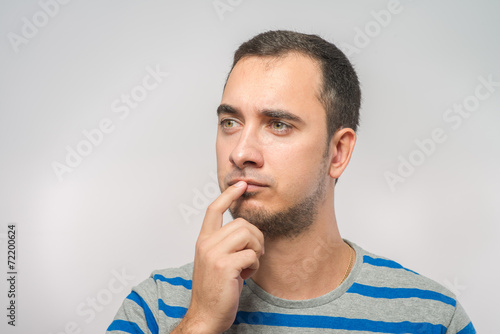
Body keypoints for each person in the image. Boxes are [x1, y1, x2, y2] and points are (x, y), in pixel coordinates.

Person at [106, 30, 475, 333]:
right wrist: (201, 321)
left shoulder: (432, 318)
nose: (241, 153)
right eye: (230, 123)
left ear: (338, 152)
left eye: (278, 125)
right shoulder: (155, 307)